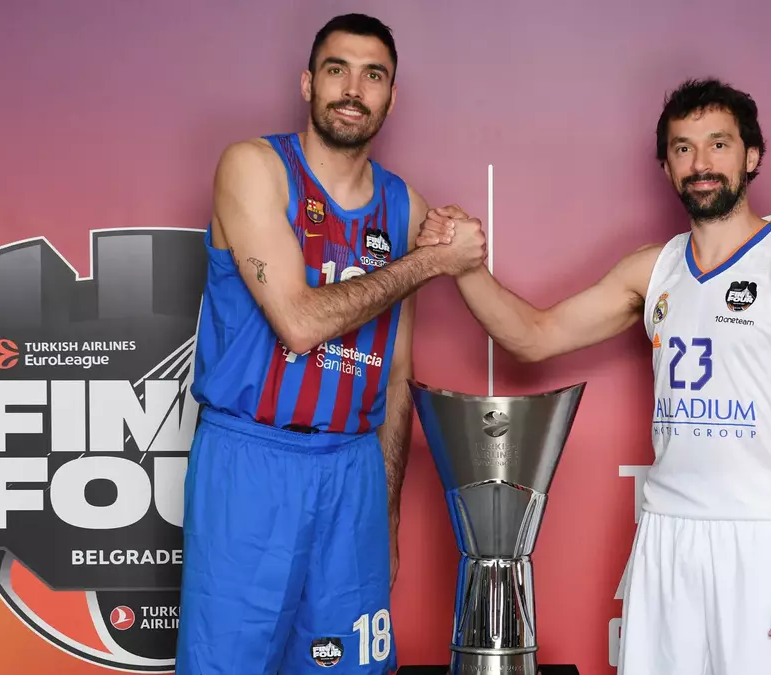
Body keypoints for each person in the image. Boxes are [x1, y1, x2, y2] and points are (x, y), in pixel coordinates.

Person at [417, 78, 771, 674]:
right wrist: (462, 267)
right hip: (666, 538)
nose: (701, 164)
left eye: (718, 145)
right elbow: (534, 335)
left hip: (766, 540)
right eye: (683, 148)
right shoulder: (654, 270)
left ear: (752, 156)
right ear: (666, 165)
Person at [175, 13, 486, 675]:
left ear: (390, 96)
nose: (353, 87)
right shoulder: (254, 167)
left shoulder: (404, 209)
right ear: (307, 82)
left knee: (345, 666)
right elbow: (299, 321)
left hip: (353, 473)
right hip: (251, 461)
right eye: (337, 69)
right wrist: (430, 263)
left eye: (373, 74)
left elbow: (397, 372)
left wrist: (389, 512)